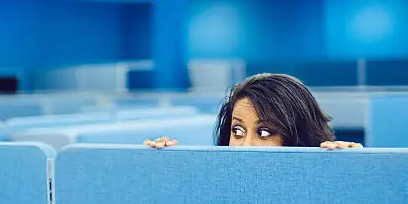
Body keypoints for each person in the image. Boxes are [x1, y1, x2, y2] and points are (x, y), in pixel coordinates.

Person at [144, 73, 363, 149]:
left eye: (264, 133)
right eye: (237, 131)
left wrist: (347, 170)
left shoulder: (316, 188)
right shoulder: (220, 184)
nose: (244, 145)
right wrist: (166, 164)